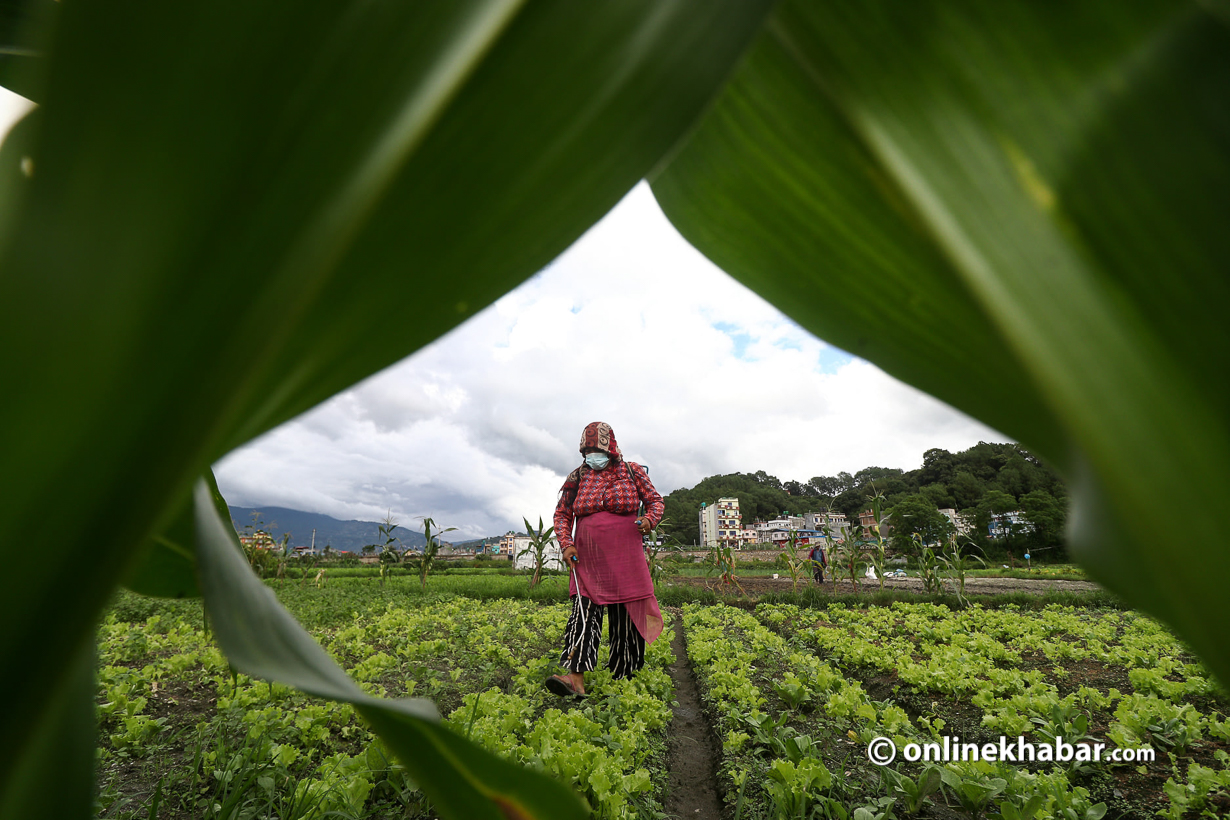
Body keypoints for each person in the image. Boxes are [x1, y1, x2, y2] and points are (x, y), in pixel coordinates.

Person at [546, 422, 665, 698]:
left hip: (626, 558)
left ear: (609, 448)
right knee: (583, 614)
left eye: (596, 449)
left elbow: (655, 501)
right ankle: (575, 678)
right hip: (587, 559)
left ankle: (625, 676)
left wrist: (649, 520)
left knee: (625, 617)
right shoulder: (577, 477)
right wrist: (566, 544)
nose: (591, 455)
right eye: (586, 450)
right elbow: (562, 514)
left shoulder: (631, 471)